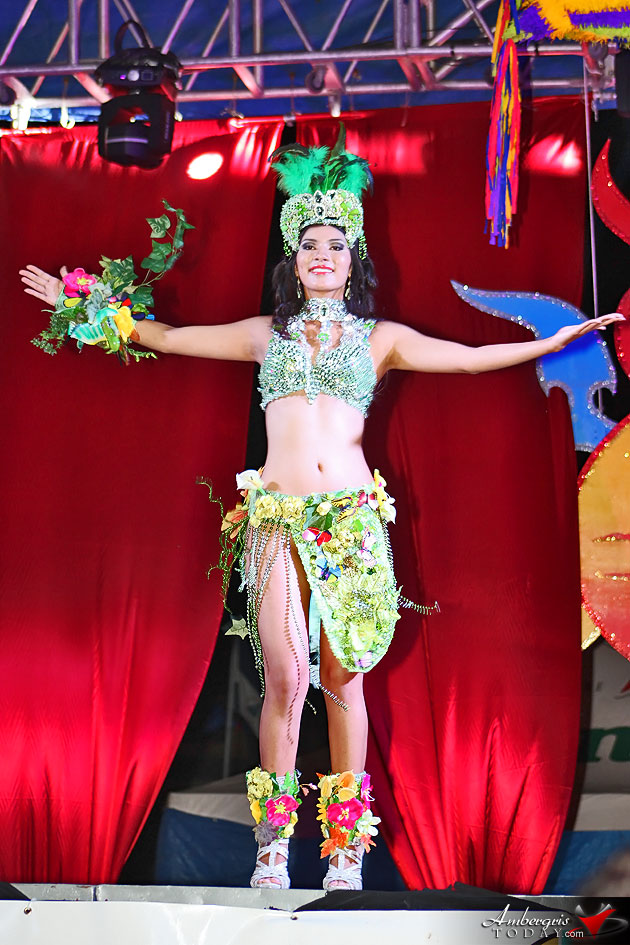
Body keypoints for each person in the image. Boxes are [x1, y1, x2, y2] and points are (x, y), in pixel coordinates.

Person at [19, 133, 623, 892]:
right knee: (284, 678)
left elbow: (468, 357)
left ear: (353, 259)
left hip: (348, 524)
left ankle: (345, 853)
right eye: (310, 243)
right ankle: (273, 847)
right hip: (273, 518)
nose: (323, 253)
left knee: (343, 682)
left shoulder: (382, 341)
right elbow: (164, 336)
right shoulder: (263, 335)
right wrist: (85, 305)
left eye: (337, 243)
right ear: (293, 259)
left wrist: (555, 340)